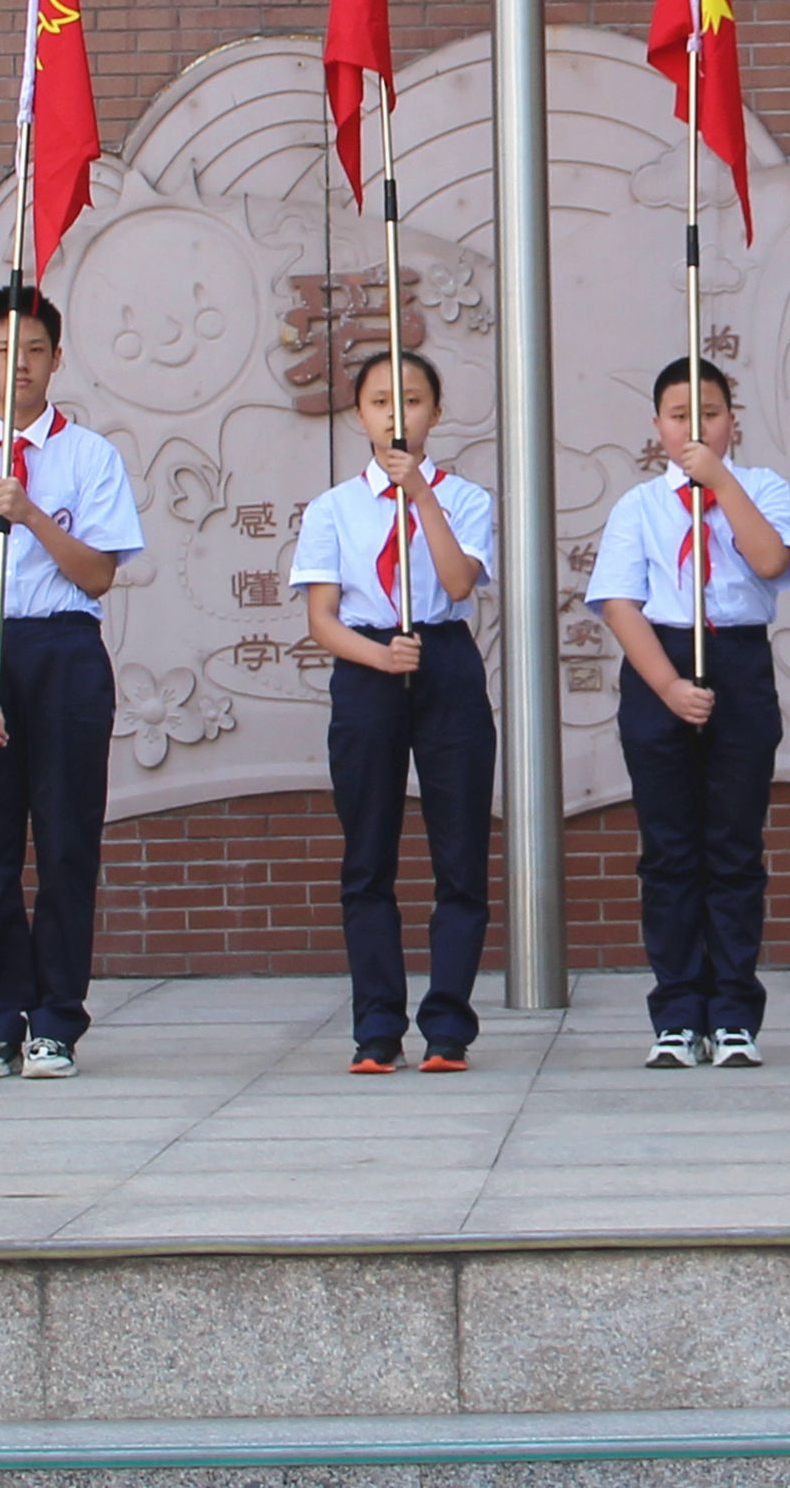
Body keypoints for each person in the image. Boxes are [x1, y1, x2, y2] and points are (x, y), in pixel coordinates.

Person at [0, 284, 141, 1080]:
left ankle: (56, 1020)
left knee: (68, 841)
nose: (21, 365)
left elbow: (98, 573)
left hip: (66, 650)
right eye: (6, 351)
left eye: (35, 350)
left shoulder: (90, 456)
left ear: (56, 358)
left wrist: (33, 512)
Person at [582, 356, 790, 1071]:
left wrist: (722, 484)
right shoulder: (639, 506)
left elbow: (769, 562)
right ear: (657, 426)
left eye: (708, 413)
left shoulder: (762, 488)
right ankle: (677, 1012)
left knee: (734, 847)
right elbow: (620, 604)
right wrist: (670, 687)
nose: (694, 427)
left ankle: (734, 1012)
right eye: (680, 416)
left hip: (738, 660)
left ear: (732, 419)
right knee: (669, 849)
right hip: (661, 660)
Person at [292, 348, 498, 1075]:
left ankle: (448, 1025)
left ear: (434, 412)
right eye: (380, 402)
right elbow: (322, 618)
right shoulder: (333, 508)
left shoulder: (465, 498)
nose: (395, 415)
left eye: (410, 400)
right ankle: (376, 1026)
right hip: (369, 667)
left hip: (443, 661)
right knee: (368, 853)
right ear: (359, 415)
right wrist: (377, 658)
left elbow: (458, 581)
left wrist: (422, 497)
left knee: (460, 853)